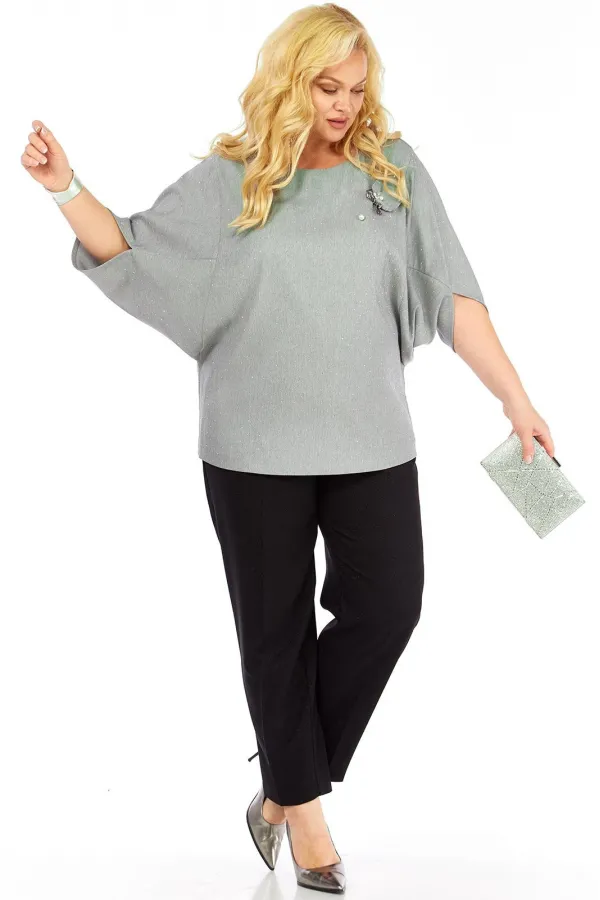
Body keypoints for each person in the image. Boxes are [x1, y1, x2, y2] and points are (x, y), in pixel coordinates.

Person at [22, 3, 554, 894]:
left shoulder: (393, 173)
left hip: (371, 442)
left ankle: (278, 787)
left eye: (356, 89)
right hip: (250, 448)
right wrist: (63, 186)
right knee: (275, 637)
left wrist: (516, 398)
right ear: (288, 79)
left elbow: (452, 294)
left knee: (389, 607)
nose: (343, 105)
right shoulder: (232, 180)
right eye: (325, 86)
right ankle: (306, 820)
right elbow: (132, 251)